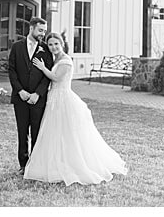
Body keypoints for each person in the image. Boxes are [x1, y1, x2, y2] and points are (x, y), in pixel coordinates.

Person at [24, 32, 128, 184]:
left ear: (62, 44)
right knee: (54, 131)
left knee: (67, 132)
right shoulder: (56, 58)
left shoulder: (65, 61)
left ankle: (72, 162)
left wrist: (42, 67)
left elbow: (57, 78)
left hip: (63, 99)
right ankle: (56, 161)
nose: (53, 47)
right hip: (54, 98)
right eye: (51, 44)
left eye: (56, 44)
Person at [7, 17, 54, 174]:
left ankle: (36, 165)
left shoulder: (46, 49)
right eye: (40, 30)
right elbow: (12, 70)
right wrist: (20, 91)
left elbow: (48, 74)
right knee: (22, 132)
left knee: (36, 132)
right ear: (31, 28)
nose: (43, 33)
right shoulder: (16, 47)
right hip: (20, 98)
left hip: (37, 99)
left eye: (44, 31)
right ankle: (23, 165)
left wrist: (38, 94)